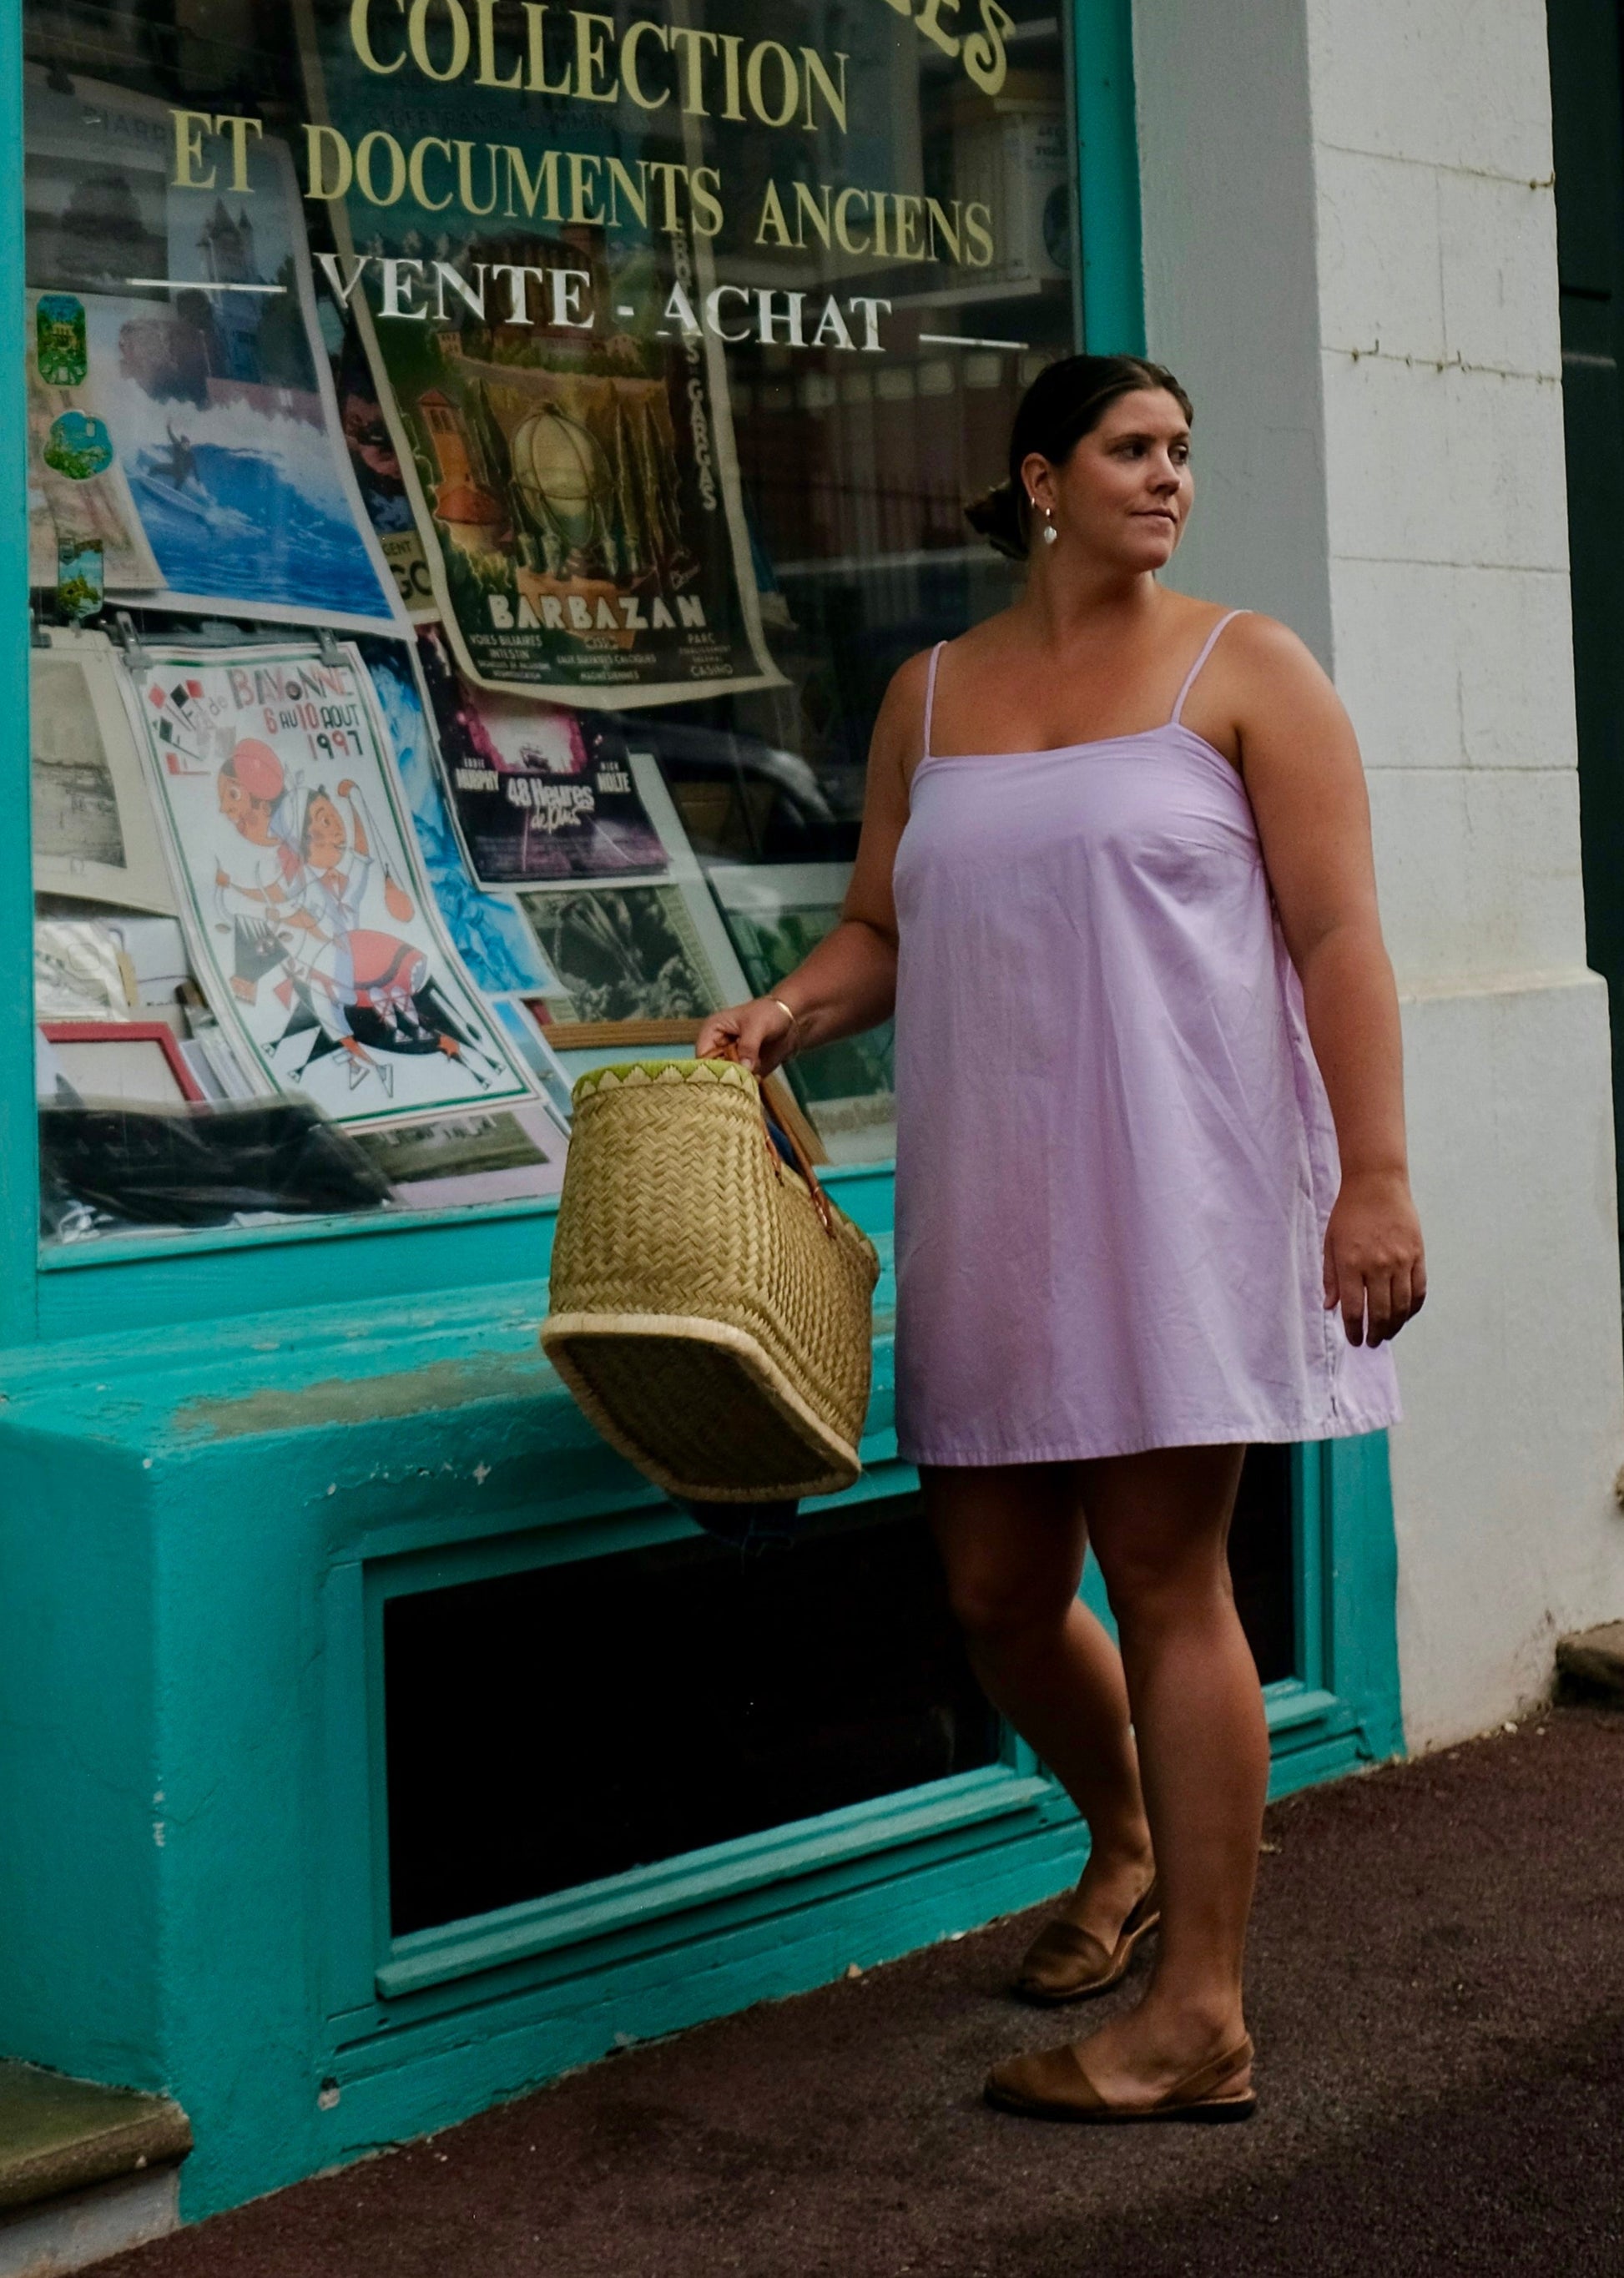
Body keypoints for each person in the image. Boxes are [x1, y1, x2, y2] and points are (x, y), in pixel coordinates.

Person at [696, 353, 1426, 2125]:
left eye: (1182, 448)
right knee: (999, 1595)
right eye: (1129, 449)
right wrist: (786, 1011)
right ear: (1040, 478)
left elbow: (1336, 938)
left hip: (1181, 1199)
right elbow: (885, 923)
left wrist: (1376, 1176)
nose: (1167, 476)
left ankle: (1199, 2016)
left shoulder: (1248, 670)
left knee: (1173, 1583)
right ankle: (1121, 1843)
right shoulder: (929, 695)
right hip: (992, 1209)